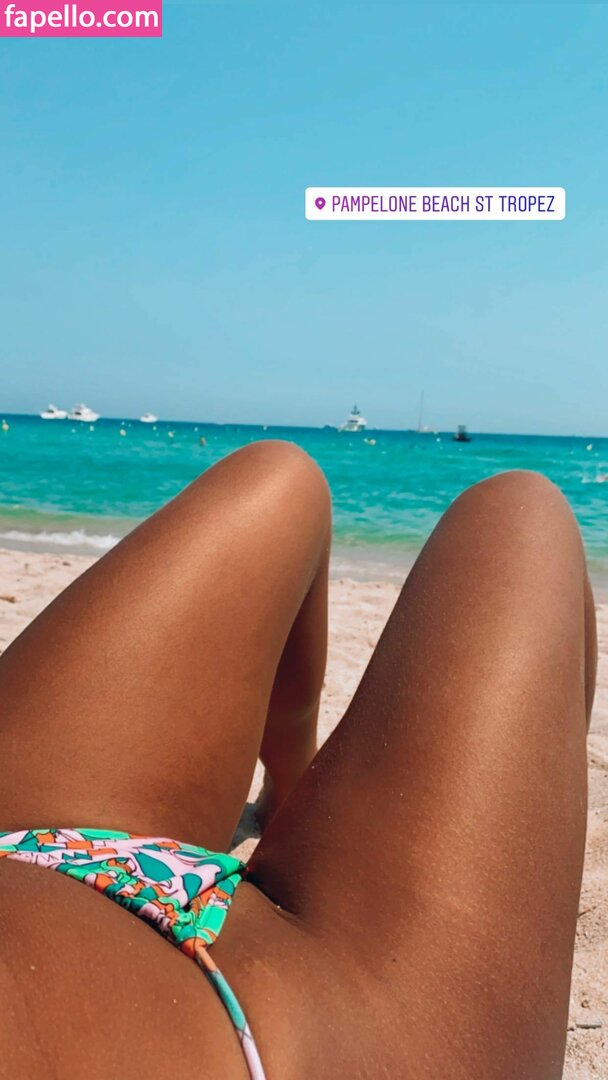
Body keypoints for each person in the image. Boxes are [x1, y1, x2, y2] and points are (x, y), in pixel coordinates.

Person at [0, 441, 596, 1079]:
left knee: (281, 476)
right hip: (281, 1050)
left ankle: (287, 784)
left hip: (33, 857)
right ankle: (290, 805)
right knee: (521, 516)